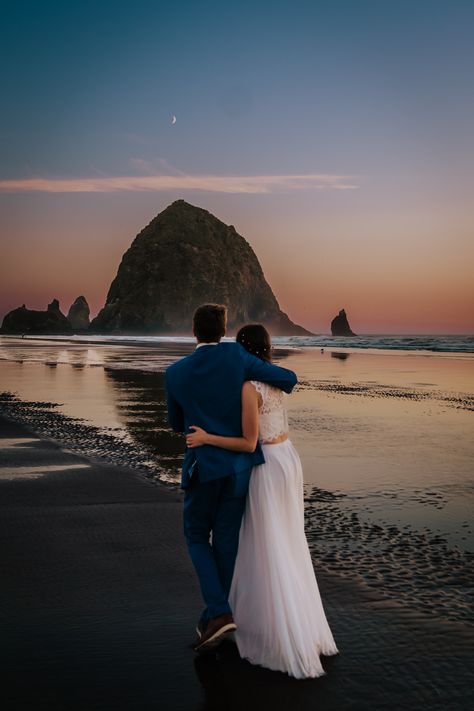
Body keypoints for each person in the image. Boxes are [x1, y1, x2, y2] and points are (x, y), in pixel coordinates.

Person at [186, 324, 338, 678]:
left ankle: (266, 631)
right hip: (288, 458)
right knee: (287, 541)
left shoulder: (249, 387)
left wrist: (207, 437)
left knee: (262, 543)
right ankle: (300, 627)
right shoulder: (275, 382)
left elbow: (248, 443)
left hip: (266, 465)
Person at [165, 305, 297, 653]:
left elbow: (177, 424)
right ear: (223, 328)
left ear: (194, 330)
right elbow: (288, 379)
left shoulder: (175, 373)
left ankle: (220, 612)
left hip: (205, 466)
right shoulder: (237, 356)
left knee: (195, 534)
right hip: (240, 468)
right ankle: (216, 614)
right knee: (225, 540)